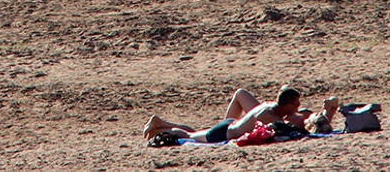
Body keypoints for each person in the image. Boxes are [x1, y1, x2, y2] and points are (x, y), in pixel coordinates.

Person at [143, 87, 334, 145]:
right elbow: (290, 131)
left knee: (196, 132)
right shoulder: (270, 116)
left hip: (231, 125)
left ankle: (162, 123)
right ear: (288, 104)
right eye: (296, 104)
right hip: (224, 133)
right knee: (189, 136)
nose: (298, 107)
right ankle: (163, 125)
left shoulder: (270, 107)